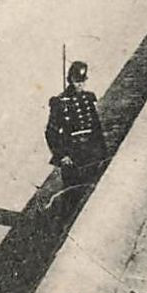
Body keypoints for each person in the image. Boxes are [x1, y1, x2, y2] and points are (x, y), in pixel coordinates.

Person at [46, 60, 108, 213]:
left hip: (91, 152)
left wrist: (103, 152)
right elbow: (51, 132)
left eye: (83, 81)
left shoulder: (88, 98)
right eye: (77, 81)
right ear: (71, 80)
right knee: (71, 194)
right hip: (72, 154)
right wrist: (62, 155)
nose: (80, 85)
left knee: (89, 192)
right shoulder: (60, 102)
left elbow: (96, 128)